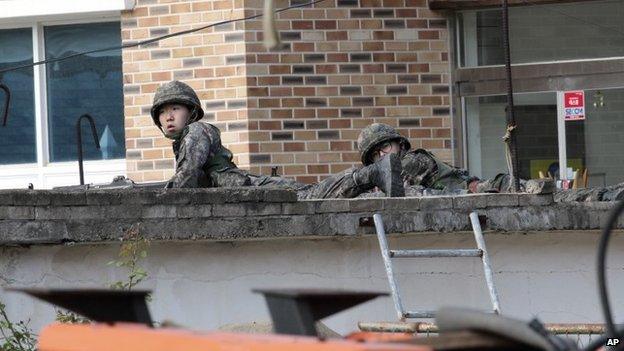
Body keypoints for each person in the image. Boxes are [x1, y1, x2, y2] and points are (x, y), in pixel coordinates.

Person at [151, 80, 404, 198]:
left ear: (191, 112)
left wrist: (157, 197)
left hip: (244, 187)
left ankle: (371, 175)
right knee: (312, 194)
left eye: (174, 109)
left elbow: (186, 177)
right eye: (162, 112)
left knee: (311, 196)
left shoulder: (196, 131)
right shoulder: (187, 138)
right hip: (241, 187)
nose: (168, 117)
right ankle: (373, 184)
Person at [356, 123, 624, 201]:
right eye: (376, 154)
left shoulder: (411, 161)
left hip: (490, 189)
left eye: (386, 147)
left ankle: (614, 193)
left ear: (400, 145)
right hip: (485, 191)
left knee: (568, 198)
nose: (384, 156)